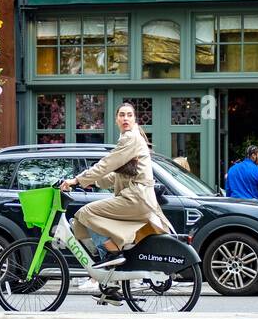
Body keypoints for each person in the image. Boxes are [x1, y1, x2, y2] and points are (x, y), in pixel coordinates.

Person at [60, 101, 174, 303]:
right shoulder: (129, 139)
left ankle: (112, 254)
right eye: (122, 115)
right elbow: (116, 175)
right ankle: (111, 280)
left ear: (135, 119)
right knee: (91, 220)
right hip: (137, 198)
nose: (125, 118)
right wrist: (92, 182)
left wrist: (77, 180)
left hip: (136, 198)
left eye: (129, 115)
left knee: (85, 214)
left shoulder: (130, 138)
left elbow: (107, 163)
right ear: (116, 119)